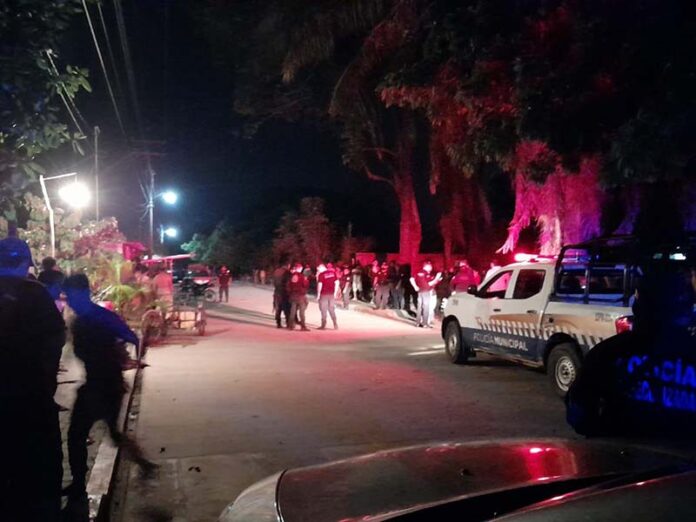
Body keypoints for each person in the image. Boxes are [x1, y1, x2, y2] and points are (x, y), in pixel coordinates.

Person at [566, 267, 696, 437]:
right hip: (681, 453)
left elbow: (579, 414)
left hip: (619, 450)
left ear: (639, 304)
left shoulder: (608, 353)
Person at [62, 274, 157, 501]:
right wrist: (122, 354)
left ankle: (78, 484)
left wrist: (119, 354)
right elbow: (132, 338)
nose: (69, 302)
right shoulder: (95, 318)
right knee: (111, 433)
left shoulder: (94, 319)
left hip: (100, 385)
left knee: (77, 434)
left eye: (71, 296)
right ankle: (144, 464)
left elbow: (131, 337)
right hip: (109, 384)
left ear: (83, 293)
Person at [0, 236, 66, 521]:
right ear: (26, 264)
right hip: (33, 399)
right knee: (43, 471)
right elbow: (56, 338)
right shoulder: (36, 294)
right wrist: (46, 380)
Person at [410, 260, 442, 328]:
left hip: (420, 291)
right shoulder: (426, 274)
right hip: (426, 291)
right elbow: (429, 284)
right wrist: (437, 278)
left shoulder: (418, 272)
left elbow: (411, 279)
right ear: (427, 266)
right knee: (426, 307)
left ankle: (417, 322)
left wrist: (415, 287)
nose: (431, 268)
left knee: (419, 307)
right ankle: (425, 323)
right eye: (430, 266)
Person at [317, 262, 339, 329]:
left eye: (318, 269)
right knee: (331, 309)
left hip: (324, 294)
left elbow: (320, 285)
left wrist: (318, 294)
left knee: (323, 309)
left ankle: (323, 325)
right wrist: (335, 293)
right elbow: (337, 283)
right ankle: (335, 323)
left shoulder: (321, 275)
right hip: (331, 294)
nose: (318, 270)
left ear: (322, 268)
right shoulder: (333, 273)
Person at [287, 264, 310, 331]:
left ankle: (290, 325)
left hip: (293, 295)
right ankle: (303, 326)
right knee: (302, 312)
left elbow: (288, 285)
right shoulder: (301, 276)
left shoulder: (291, 276)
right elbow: (305, 285)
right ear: (300, 268)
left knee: (293, 311)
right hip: (300, 296)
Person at [272, 262, 291, 328]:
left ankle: (278, 323)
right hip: (284, 292)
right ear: (288, 265)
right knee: (286, 308)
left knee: (278, 308)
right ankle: (288, 323)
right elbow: (288, 283)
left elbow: (274, 281)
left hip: (277, 291)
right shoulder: (287, 272)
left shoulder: (276, 271)